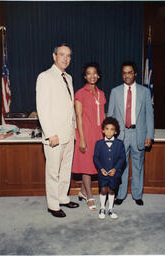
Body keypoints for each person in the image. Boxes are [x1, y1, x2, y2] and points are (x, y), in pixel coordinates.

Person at [36, 43, 79, 218]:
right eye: (62, 54)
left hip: (69, 132)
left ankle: (62, 197)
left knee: (65, 169)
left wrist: (74, 128)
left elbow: (69, 106)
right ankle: (53, 205)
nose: (65, 58)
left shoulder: (68, 77)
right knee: (53, 171)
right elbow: (42, 108)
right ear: (54, 56)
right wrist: (50, 133)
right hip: (54, 134)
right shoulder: (45, 77)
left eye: (68, 55)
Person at [108, 61, 154, 206]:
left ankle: (137, 194)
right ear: (122, 75)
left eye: (130, 72)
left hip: (138, 133)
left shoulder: (144, 92)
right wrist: (110, 135)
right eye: (124, 73)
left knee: (138, 165)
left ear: (135, 74)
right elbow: (110, 115)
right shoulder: (115, 92)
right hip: (121, 135)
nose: (127, 75)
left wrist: (149, 135)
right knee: (121, 165)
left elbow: (149, 115)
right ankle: (120, 194)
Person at [72, 62, 106, 210]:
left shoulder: (102, 93)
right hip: (85, 133)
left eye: (94, 73)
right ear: (85, 76)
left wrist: (106, 135)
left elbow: (103, 115)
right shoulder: (80, 93)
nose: (92, 76)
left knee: (96, 164)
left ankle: (82, 192)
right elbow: (78, 116)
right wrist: (82, 138)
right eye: (88, 73)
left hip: (99, 133)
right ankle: (90, 196)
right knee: (86, 166)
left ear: (98, 75)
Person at [93, 117, 126, 219]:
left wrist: (115, 169)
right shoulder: (98, 144)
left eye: (112, 129)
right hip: (103, 173)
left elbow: (122, 158)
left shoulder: (120, 144)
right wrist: (100, 168)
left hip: (114, 173)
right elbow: (95, 158)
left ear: (115, 132)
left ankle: (110, 209)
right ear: (103, 130)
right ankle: (102, 207)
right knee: (103, 190)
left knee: (111, 190)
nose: (109, 131)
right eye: (107, 129)